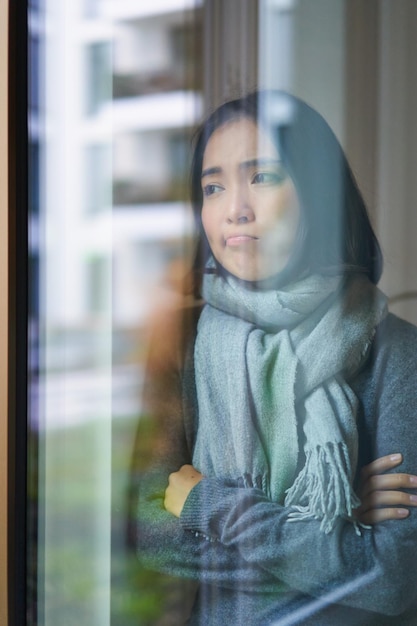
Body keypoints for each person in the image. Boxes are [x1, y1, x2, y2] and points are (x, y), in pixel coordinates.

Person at [133, 91, 417, 625]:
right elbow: (149, 536)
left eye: (262, 177)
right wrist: (332, 525)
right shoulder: (184, 342)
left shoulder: (396, 351)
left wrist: (207, 506)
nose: (235, 208)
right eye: (213, 187)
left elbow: (390, 578)